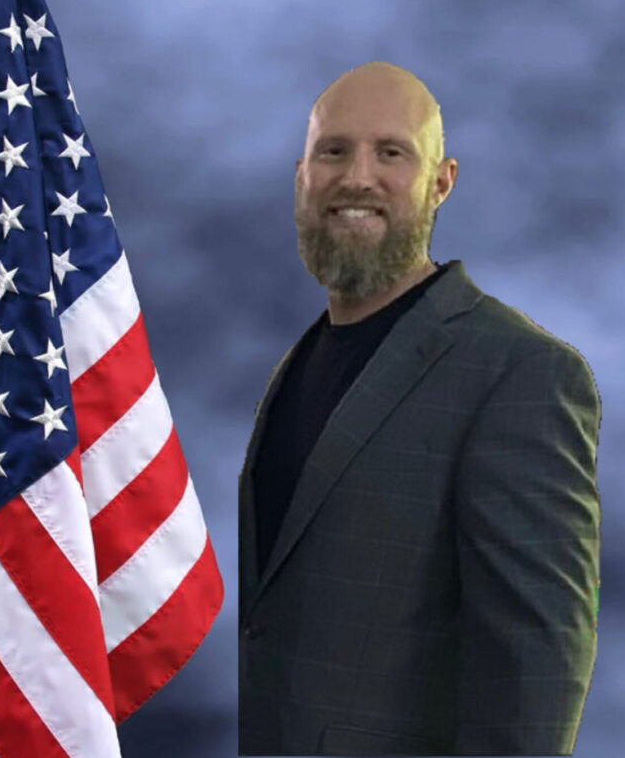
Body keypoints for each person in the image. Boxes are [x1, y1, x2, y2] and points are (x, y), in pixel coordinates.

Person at [238, 61, 602, 756]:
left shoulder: (519, 372)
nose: (357, 177)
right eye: (333, 151)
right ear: (301, 176)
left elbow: (538, 660)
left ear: (443, 182)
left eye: (392, 152)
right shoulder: (302, 360)